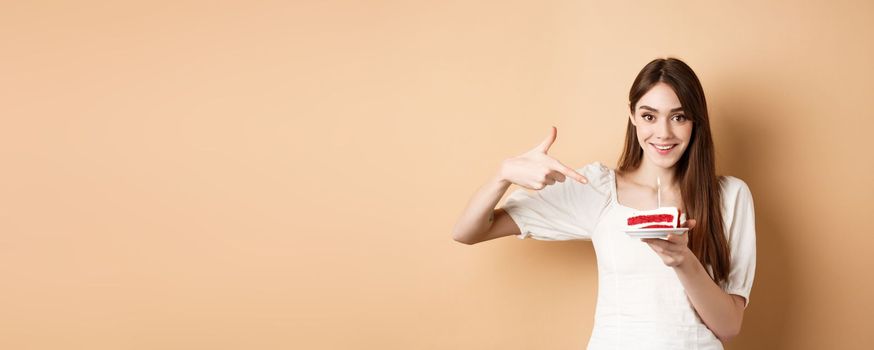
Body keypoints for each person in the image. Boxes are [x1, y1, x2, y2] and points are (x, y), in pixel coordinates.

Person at [451, 57, 756, 349]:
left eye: (678, 117)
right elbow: (468, 231)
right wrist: (503, 175)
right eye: (649, 116)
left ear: (695, 120)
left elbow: (728, 326)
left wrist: (683, 261)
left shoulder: (730, 197)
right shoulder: (596, 190)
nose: (663, 133)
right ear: (632, 114)